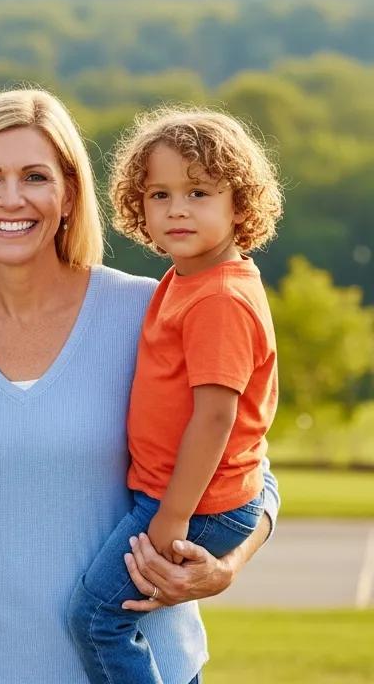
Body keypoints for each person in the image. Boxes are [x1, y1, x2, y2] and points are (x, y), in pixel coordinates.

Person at [0, 88, 279, 684]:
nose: (12, 198)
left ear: (70, 194)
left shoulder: (143, 310)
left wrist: (229, 564)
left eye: (36, 176)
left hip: (153, 664)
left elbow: (251, 463)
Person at [68, 108, 282, 683]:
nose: (177, 209)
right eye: (159, 194)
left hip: (197, 506)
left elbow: (216, 417)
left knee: (95, 619)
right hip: (179, 496)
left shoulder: (218, 300)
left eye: (199, 192)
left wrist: (172, 518)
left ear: (240, 205)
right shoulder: (187, 278)